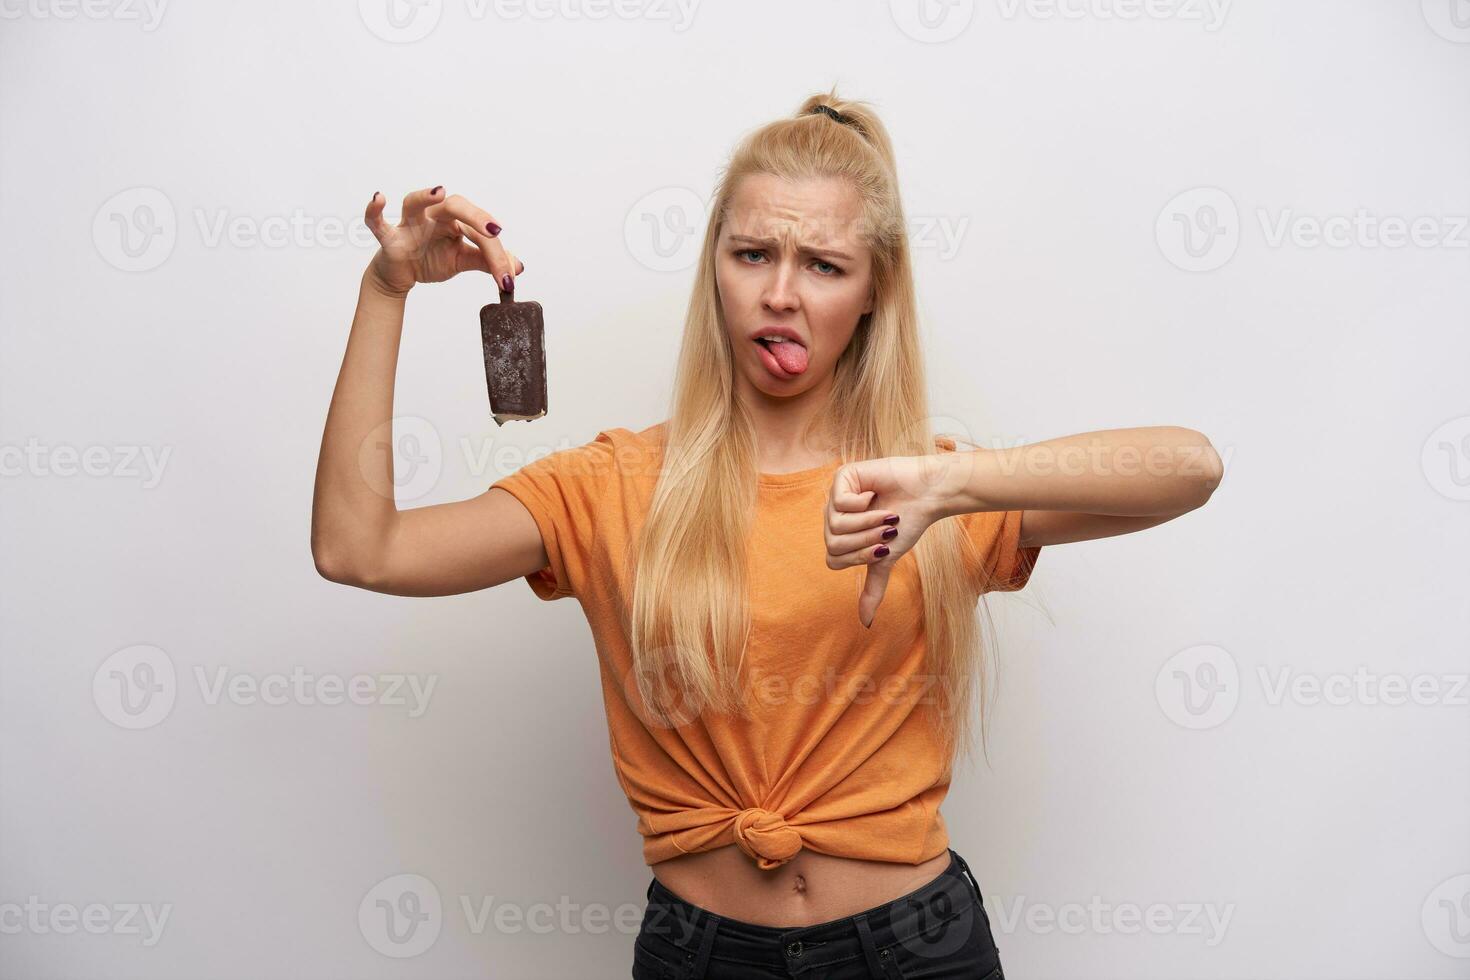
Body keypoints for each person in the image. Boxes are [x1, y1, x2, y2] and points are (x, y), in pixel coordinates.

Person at [311, 88, 1222, 980]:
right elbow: (360, 550)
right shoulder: (610, 485)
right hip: (700, 955)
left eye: (824, 265)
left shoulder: (924, 490)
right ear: (714, 267)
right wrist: (387, 287)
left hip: (916, 949)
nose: (780, 294)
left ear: (874, 291)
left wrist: (951, 483)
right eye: (752, 254)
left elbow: (1191, 469)